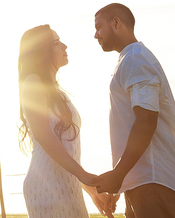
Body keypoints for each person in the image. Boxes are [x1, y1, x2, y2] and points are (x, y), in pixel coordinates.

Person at [92, 4, 175, 218]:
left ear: (116, 23)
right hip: (144, 182)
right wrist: (122, 181)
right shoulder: (130, 59)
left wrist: (119, 175)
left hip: (154, 183)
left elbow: (146, 121)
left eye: (99, 27)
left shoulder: (135, 59)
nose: (95, 35)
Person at [19, 25, 117, 218]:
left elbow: (66, 151)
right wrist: (84, 175)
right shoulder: (32, 82)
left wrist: (92, 191)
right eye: (56, 43)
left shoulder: (56, 90)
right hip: (46, 189)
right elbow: (43, 136)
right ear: (40, 52)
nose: (64, 46)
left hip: (67, 186)